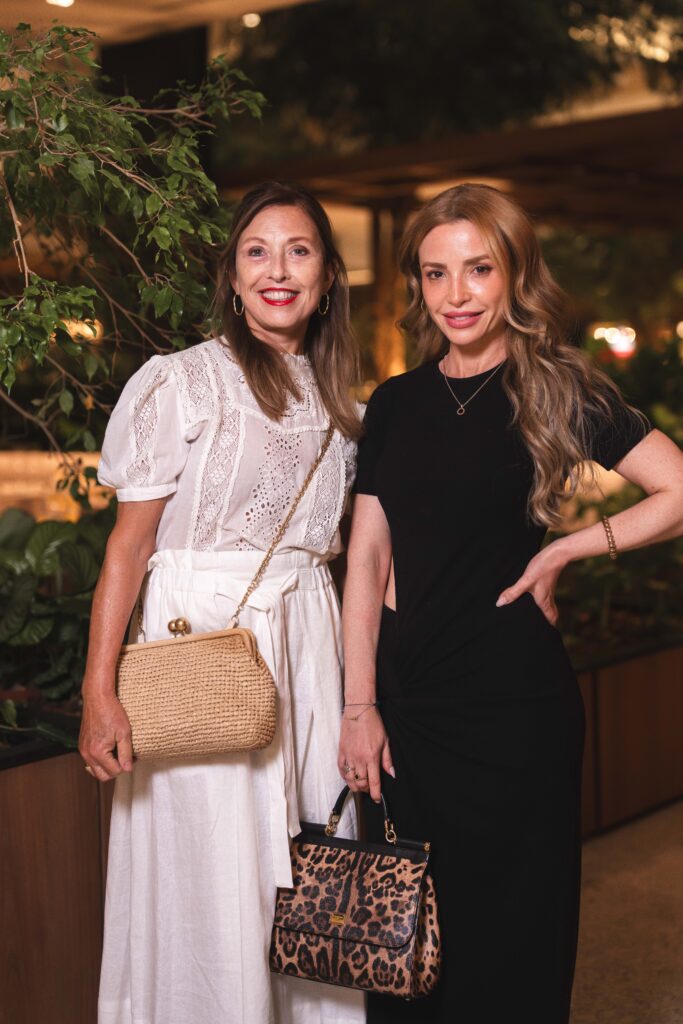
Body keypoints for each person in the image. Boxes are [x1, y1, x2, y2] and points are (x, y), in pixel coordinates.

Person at [338, 183, 683, 1024]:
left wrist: (567, 547)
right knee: (403, 949)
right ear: (417, 284)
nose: (455, 294)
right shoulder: (396, 402)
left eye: (478, 269)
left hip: (515, 709)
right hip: (409, 709)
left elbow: (677, 489)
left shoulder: (559, 388)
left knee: (513, 945)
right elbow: (367, 558)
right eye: (435, 273)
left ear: (514, 275)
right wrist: (358, 706)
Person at [80, 181, 366, 1024]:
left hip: (308, 648)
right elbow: (128, 548)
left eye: (299, 251)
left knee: (312, 862)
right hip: (201, 651)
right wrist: (99, 692)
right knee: (209, 873)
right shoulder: (182, 383)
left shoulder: (345, 402)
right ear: (233, 277)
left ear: (327, 276)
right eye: (257, 252)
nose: (278, 270)